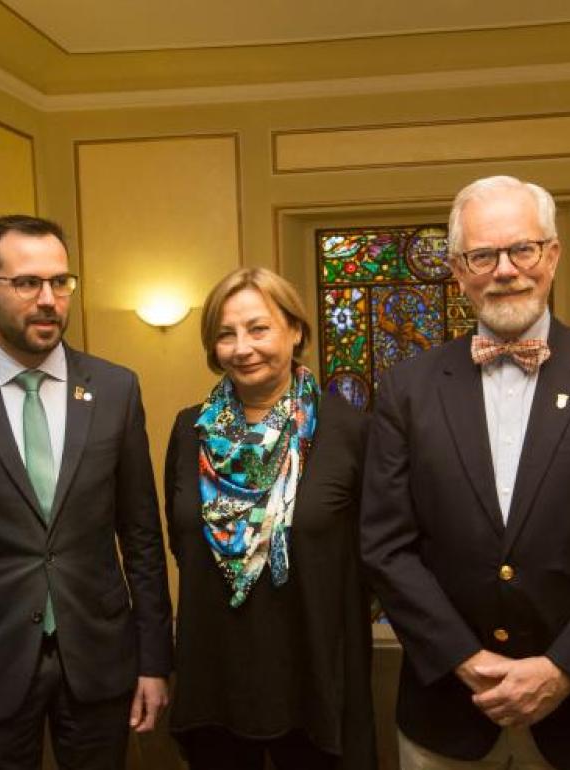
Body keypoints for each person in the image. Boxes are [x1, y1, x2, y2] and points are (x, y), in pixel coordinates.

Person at [360, 176, 570, 770]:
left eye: (522, 249)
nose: (504, 269)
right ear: (459, 269)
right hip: (447, 713)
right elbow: (386, 546)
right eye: (483, 255)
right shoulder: (407, 389)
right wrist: (464, 659)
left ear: (552, 254)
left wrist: (563, 670)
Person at [0, 215, 173, 770]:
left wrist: (154, 661)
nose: (49, 299)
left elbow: (142, 537)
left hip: (98, 659)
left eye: (60, 282)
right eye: (27, 283)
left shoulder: (116, 389)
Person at [162, 268, 377, 770]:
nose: (242, 347)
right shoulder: (188, 430)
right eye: (225, 333)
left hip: (315, 677)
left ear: (295, 331)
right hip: (214, 674)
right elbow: (182, 542)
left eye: (259, 328)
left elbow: (375, 558)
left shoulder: (351, 430)